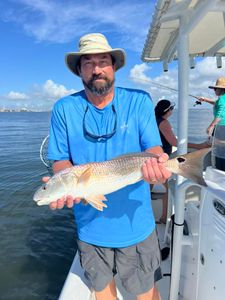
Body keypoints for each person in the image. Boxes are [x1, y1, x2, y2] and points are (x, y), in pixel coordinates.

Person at [46, 33, 171, 300]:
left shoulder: (139, 100)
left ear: (114, 66)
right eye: (88, 63)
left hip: (136, 224)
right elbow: (60, 160)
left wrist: (159, 164)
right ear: (79, 70)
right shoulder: (63, 108)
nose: (97, 69)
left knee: (146, 293)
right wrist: (63, 183)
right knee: (102, 292)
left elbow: (153, 148)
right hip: (90, 227)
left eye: (103, 61)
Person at [197, 77, 225, 171]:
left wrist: (211, 126)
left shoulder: (222, 99)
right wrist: (205, 99)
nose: (214, 90)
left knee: (220, 152)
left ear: (221, 89)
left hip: (221, 128)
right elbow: (216, 103)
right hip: (221, 127)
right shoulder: (222, 99)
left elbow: (220, 114)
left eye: (215, 88)